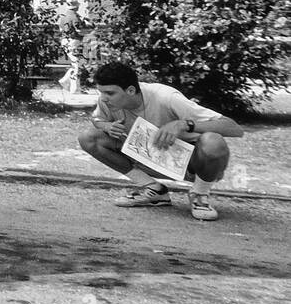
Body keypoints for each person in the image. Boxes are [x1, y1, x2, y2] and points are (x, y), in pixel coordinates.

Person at [77, 61, 244, 221]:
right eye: (101, 92)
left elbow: (234, 128)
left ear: (130, 90)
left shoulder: (166, 97)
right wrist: (106, 126)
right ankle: (155, 190)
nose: (104, 98)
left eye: (110, 93)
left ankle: (199, 195)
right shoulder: (107, 101)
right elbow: (97, 119)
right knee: (88, 138)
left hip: (190, 165)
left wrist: (184, 124)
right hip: (146, 157)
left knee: (213, 141)